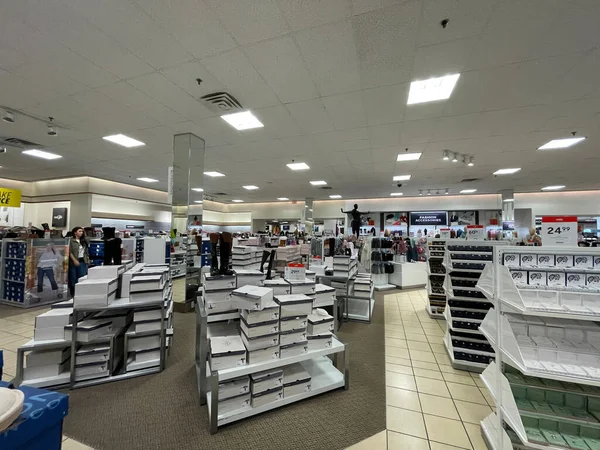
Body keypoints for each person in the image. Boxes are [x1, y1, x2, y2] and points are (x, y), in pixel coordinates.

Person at [69, 226, 89, 296]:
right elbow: (69, 251)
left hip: (82, 260)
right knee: (73, 278)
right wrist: (74, 260)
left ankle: (81, 292)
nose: (81, 233)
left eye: (82, 231)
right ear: (75, 233)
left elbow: (86, 252)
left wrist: (87, 260)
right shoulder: (71, 241)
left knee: (82, 277)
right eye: (79, 231)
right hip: (73, 261)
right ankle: (73, 293)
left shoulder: (83, 241)